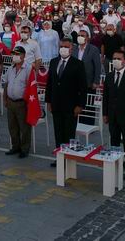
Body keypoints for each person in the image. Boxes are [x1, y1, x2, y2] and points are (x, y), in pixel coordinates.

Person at [46, 38, 87, 167]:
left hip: (71, 105)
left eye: (66, 46)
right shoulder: (54, 62)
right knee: (58, 132)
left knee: (69, 133)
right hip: (56, 104)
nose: (63, 48)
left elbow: (83, 87)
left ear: (71, 48)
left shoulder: (78, 64)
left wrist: (80, 105)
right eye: (61, 46)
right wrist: (48, 101)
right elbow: (50, 84)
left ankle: (68, 158)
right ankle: (59, 157)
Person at [102, 50, 125, 180]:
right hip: (112, 116)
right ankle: (115, 165)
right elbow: (105, 97)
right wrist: (105, 114)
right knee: (114, 142)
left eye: (119, 58)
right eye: (114, 58)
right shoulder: (109, 76)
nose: (116, 61)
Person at [1, 46, 32, 158]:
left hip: (22, 103)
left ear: (24, 56)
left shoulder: (28, 69)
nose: (15, 56)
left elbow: (31, 87)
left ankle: (24, 149)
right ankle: (15, 147)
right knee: (12, 127)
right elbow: (6, 84)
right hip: (11, 102)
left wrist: (28, 103)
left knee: (24, 128)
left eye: (18, 54)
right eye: (13, 54)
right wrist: (4, 99)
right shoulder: (10, 68)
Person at [72, 30, 102, 95]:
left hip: (88, 83)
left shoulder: (94, 49)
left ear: (87, 38)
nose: (80, 37)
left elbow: (97, 66)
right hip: (74, 83)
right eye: (79, 35)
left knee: (88, 103)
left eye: (82, 36)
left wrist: (96, 81)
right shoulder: (74, 49)